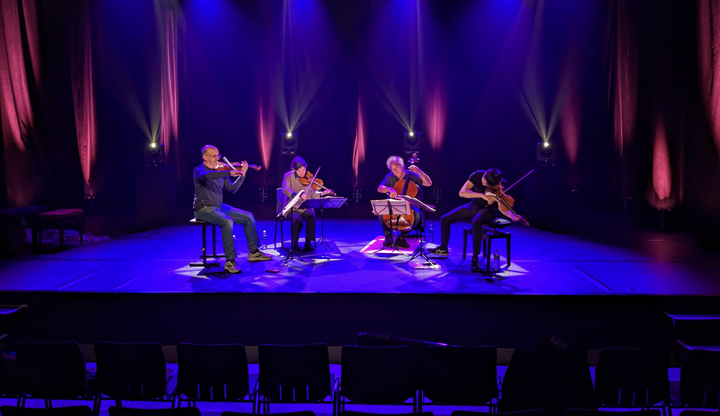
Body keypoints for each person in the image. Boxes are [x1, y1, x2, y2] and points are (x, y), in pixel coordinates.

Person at [193, 145, 271, 274]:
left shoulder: (220, 171)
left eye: (218, 155)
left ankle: (254, 252)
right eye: (214, 156)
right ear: (205, 157)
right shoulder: (199, 170)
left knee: (248, 216)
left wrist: (242, 175)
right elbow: (207, 176)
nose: (218, 159)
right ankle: (230, 261)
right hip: (204, 209)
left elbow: (233, 189)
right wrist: (228, 172)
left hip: (219, 207)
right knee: (227, 221)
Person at [429, 168, 520, 272]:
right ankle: (443, 248)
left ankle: (475, 258)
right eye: (484, 181)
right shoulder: (477, 175)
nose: (485, 184)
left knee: (476, 221)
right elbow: (462, 193)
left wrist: (512, 216)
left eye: (488, 185)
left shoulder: (500, 183)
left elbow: (502, 207)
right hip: (474, 205)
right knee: (445, 218)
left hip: (489, 210)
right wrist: (482, 195)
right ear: (485, 174)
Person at [376, 155, 432, 248]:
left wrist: (418, 171)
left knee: (417, 215)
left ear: (402, 166)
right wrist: (390, 189)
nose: (395, 171)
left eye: (396, 167)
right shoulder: (389, 177)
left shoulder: (412, 175)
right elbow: (380, 188)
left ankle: (402, 237)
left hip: (409, 204)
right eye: (392, 169)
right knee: (382, 213)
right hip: (395, 203)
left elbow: (428, 183)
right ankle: (388, 236)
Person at [281, 156, 334, 252]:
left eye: (304, 170)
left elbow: (312, 194)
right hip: (292, 207)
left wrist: (322, 193)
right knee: (297, 220)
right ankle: (294, 244)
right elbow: (285, 189)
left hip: (305, 207)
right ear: (294, 170)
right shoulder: (288, 176)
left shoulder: (308, 177)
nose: (302, 173)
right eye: (299, 171)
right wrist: (297, 195)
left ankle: (308, 243)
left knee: (311, 216)